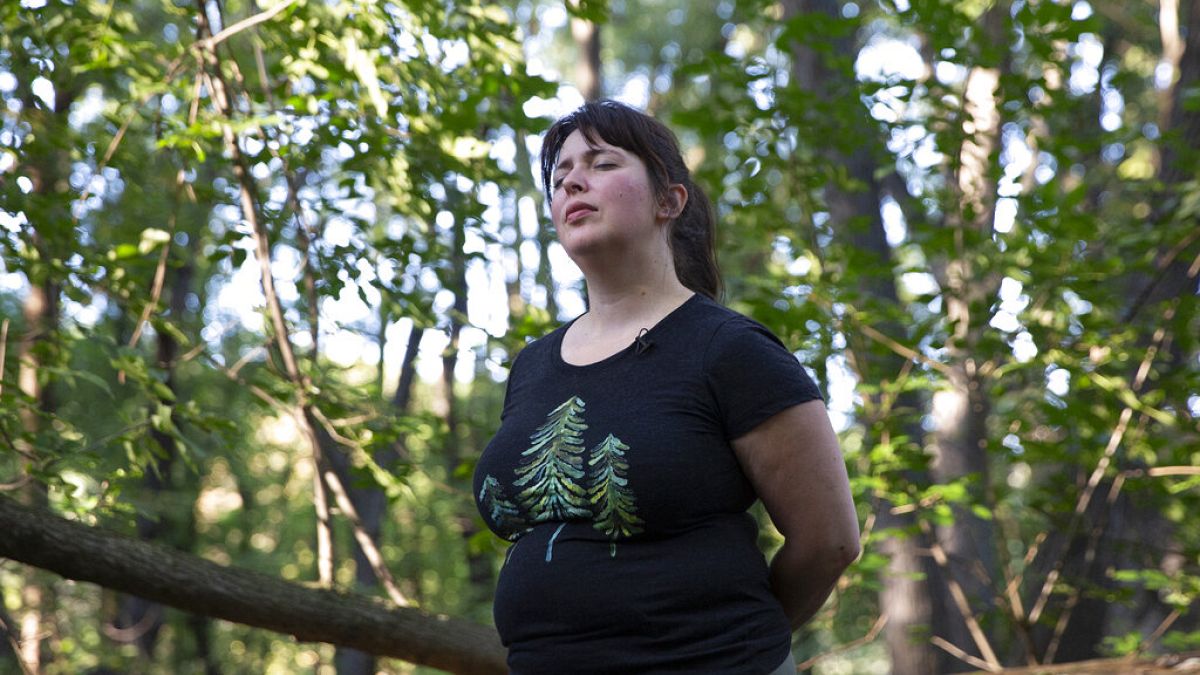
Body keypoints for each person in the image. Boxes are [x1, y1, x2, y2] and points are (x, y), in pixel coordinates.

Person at [473, 99, 860, 674]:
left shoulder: (730, 349)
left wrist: (727, 648)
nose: (573, 181)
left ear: (669, 201)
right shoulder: (533, 365)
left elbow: (830, 541)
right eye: (561, 177)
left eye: (603, 164)